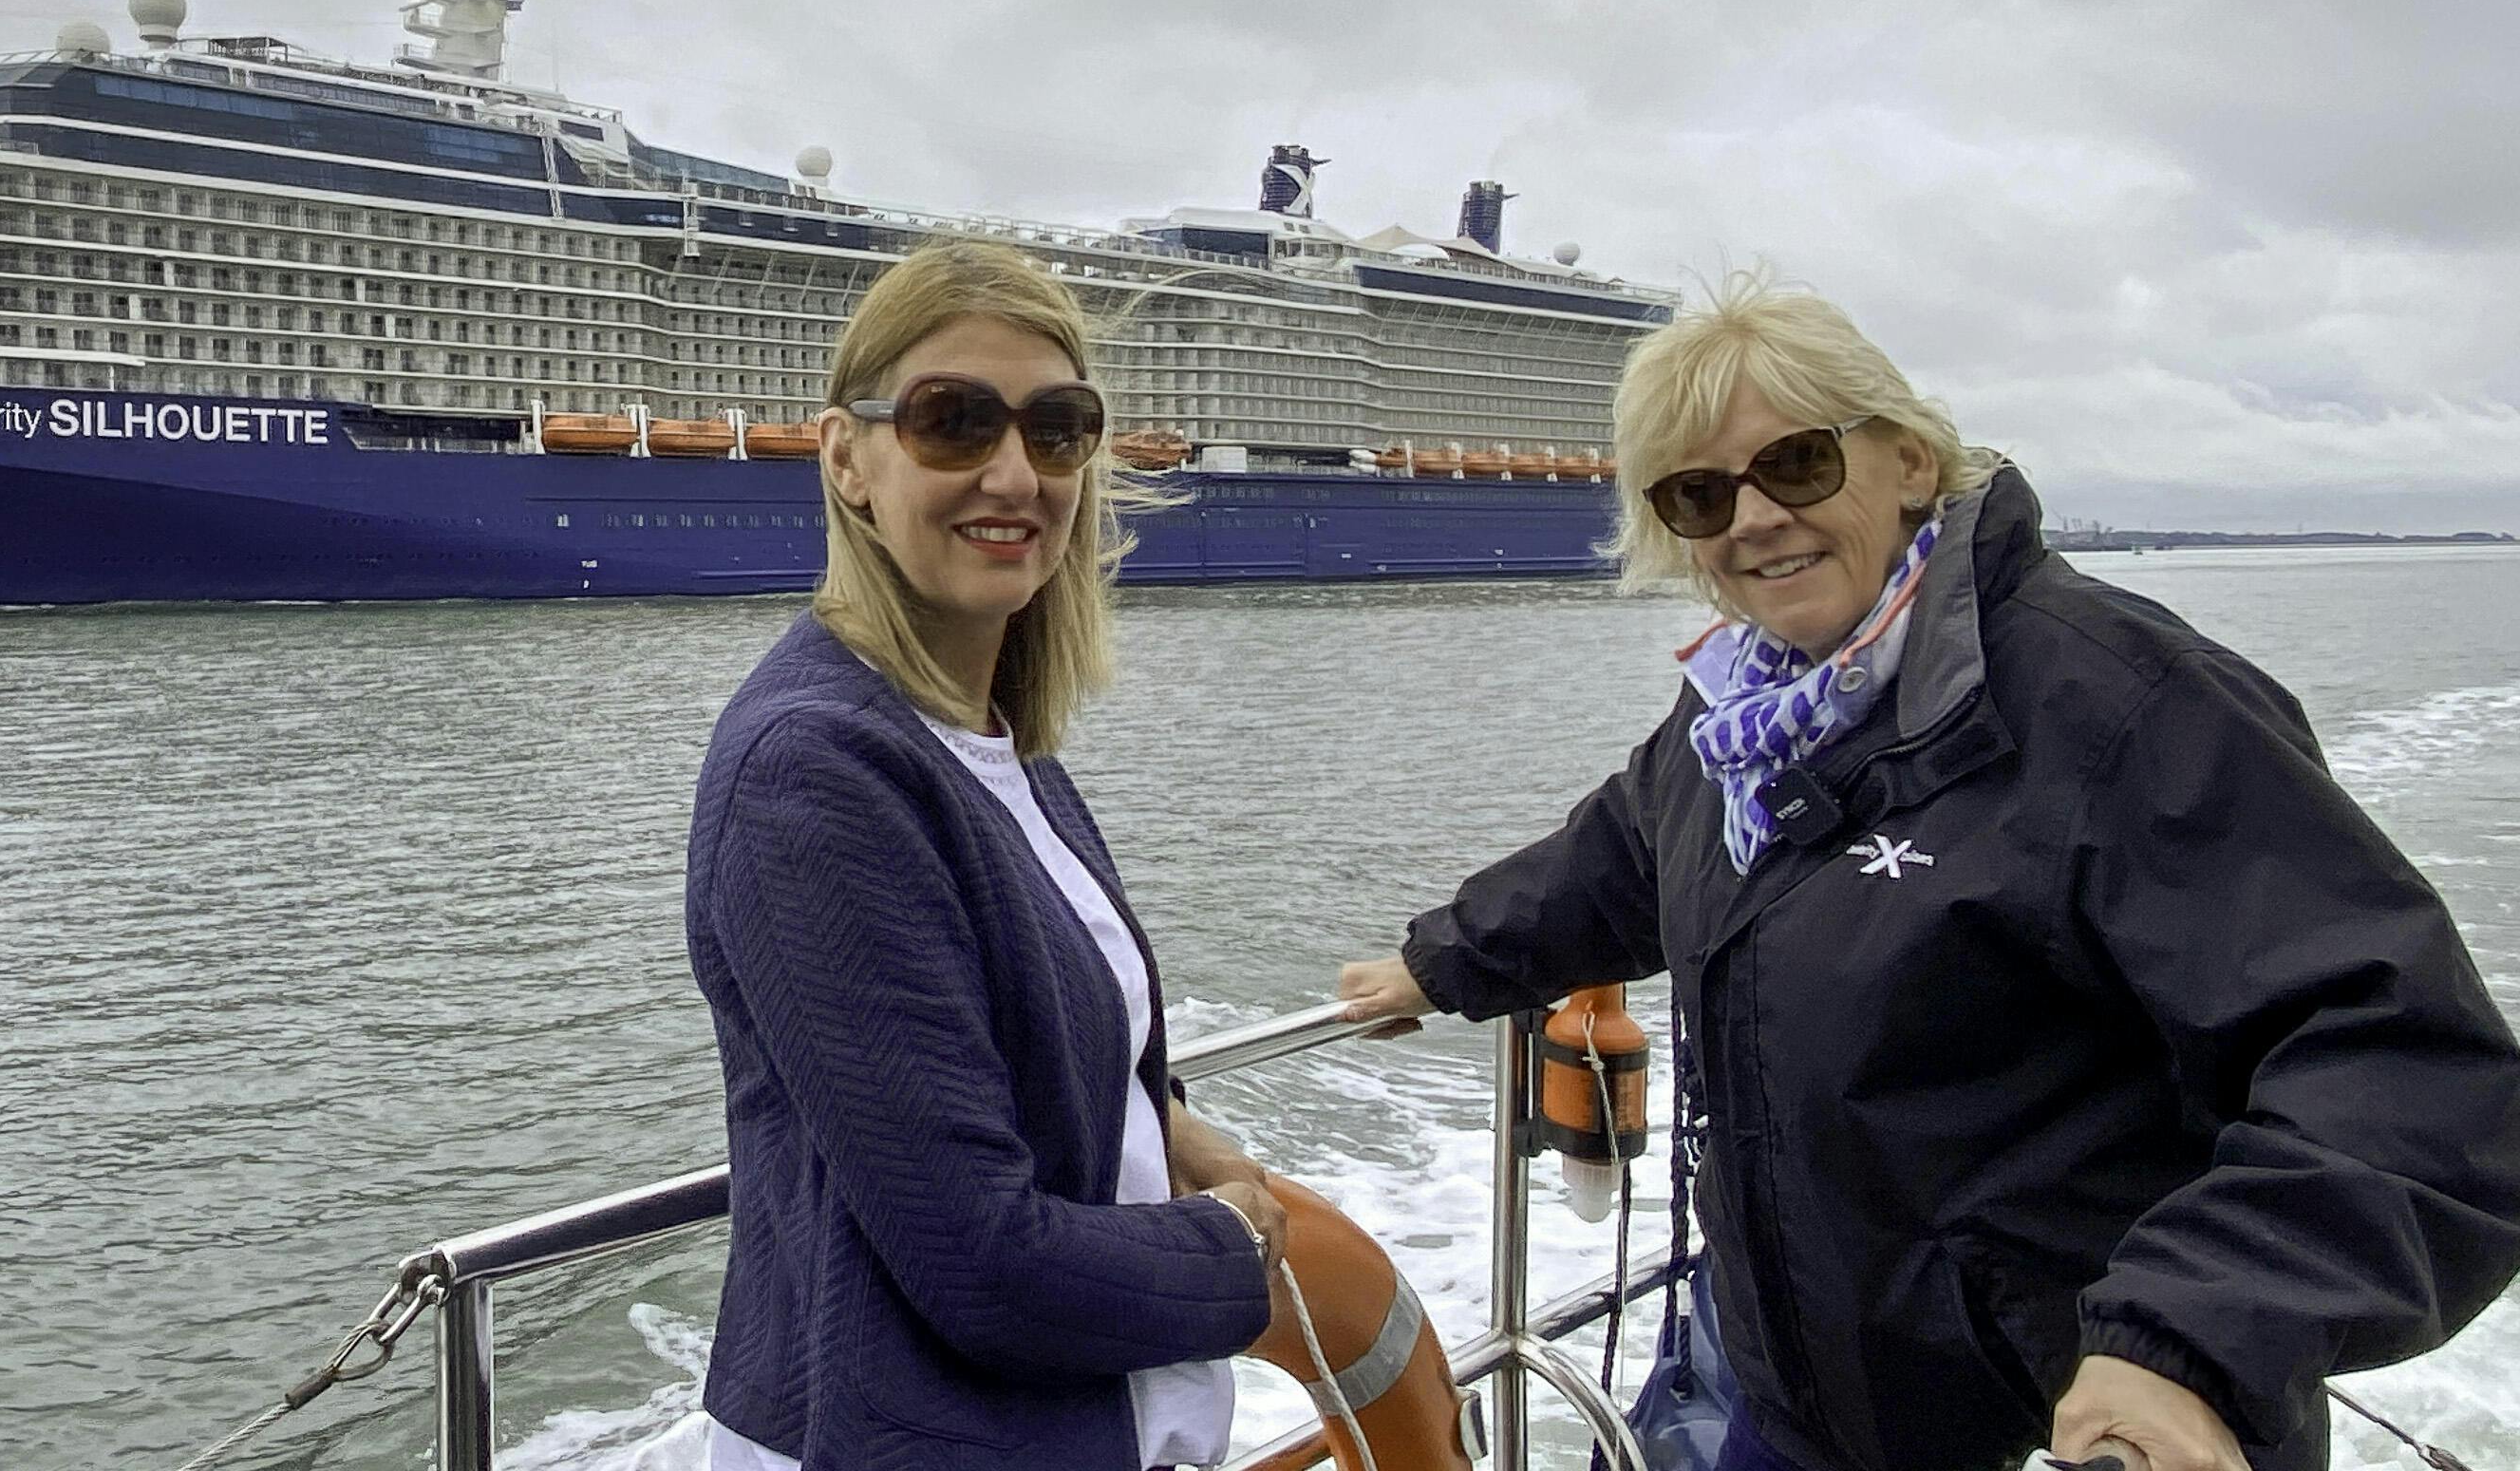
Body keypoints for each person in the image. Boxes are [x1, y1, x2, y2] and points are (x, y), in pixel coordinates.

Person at [1334, 274, 2520, 1471]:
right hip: (1788, 1392)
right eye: (1698, 494)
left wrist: (2187, 1339)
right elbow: (1626, 854)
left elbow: (2406, 1067)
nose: (1748, 517)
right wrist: (1443, 960)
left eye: (1793, 464)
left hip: (2069, 1429)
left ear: (1907, 461)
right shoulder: (1740, 715)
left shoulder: (2115, 701)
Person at [686, 241, 1282, 1470]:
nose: (1014, 471)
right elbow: (985, 1266)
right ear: (846, 457)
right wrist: (1238, 1243)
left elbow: (1003, 1037)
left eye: (1058, 429)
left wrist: (1169, 1125)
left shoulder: (993, 739)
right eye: (952, 422)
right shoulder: (815, 773)